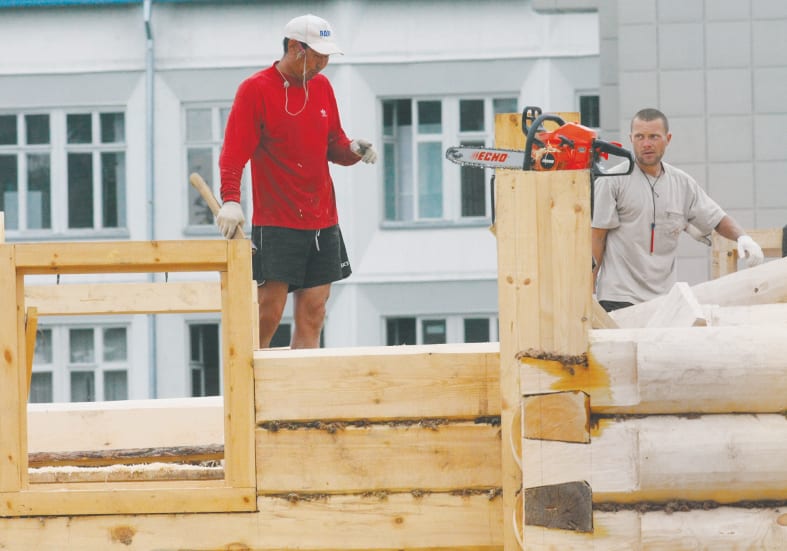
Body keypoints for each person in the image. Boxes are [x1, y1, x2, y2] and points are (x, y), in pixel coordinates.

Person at [216, 14, 377, 348]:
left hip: (322, 219)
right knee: (269, 311)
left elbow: (333, 143)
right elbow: (233, 153)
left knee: (315, 311)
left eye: (326, 56)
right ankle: (250, 376)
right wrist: (230, 200)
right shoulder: (255, 89)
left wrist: (353, 149)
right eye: (316, 55)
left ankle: (303, 379)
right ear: (294, 47)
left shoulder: (322, 87)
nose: (322, 64)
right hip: (277, 221)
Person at [592, 108, 763, 312]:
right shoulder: (612, 181)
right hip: (619, 297)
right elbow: (597, 239)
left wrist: (743, 238)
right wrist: (587, 291)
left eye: (654, 136)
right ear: (631, 139)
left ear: (668, 139)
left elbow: (716, 218)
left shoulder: (682, 183)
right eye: (640, 137)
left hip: (664, 301)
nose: (646, 143)